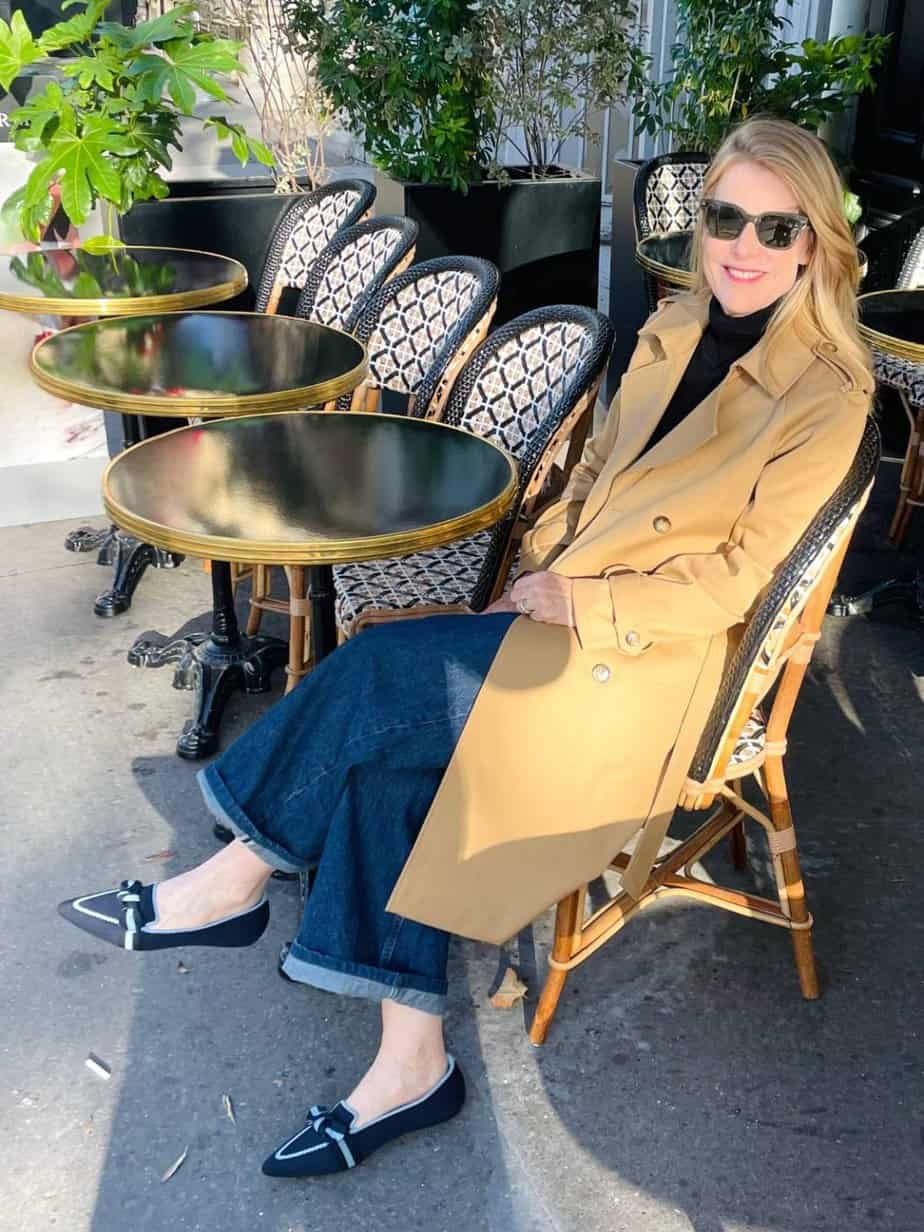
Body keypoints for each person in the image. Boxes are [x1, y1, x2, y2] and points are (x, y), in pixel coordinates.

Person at [59, 116, 874, 1179]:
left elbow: (732, 581)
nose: (746, 247)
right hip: (560, 617)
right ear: (702, 219)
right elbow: (585, 486)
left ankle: (232, 879)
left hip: (651, 666)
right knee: (386, 751)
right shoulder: (675, 325)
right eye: (728, 217)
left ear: (815, 242)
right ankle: (412, 1061)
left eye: (779, 227)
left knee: (369, 676)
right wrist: (532, 574)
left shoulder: (828, 389)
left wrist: (576, 602)